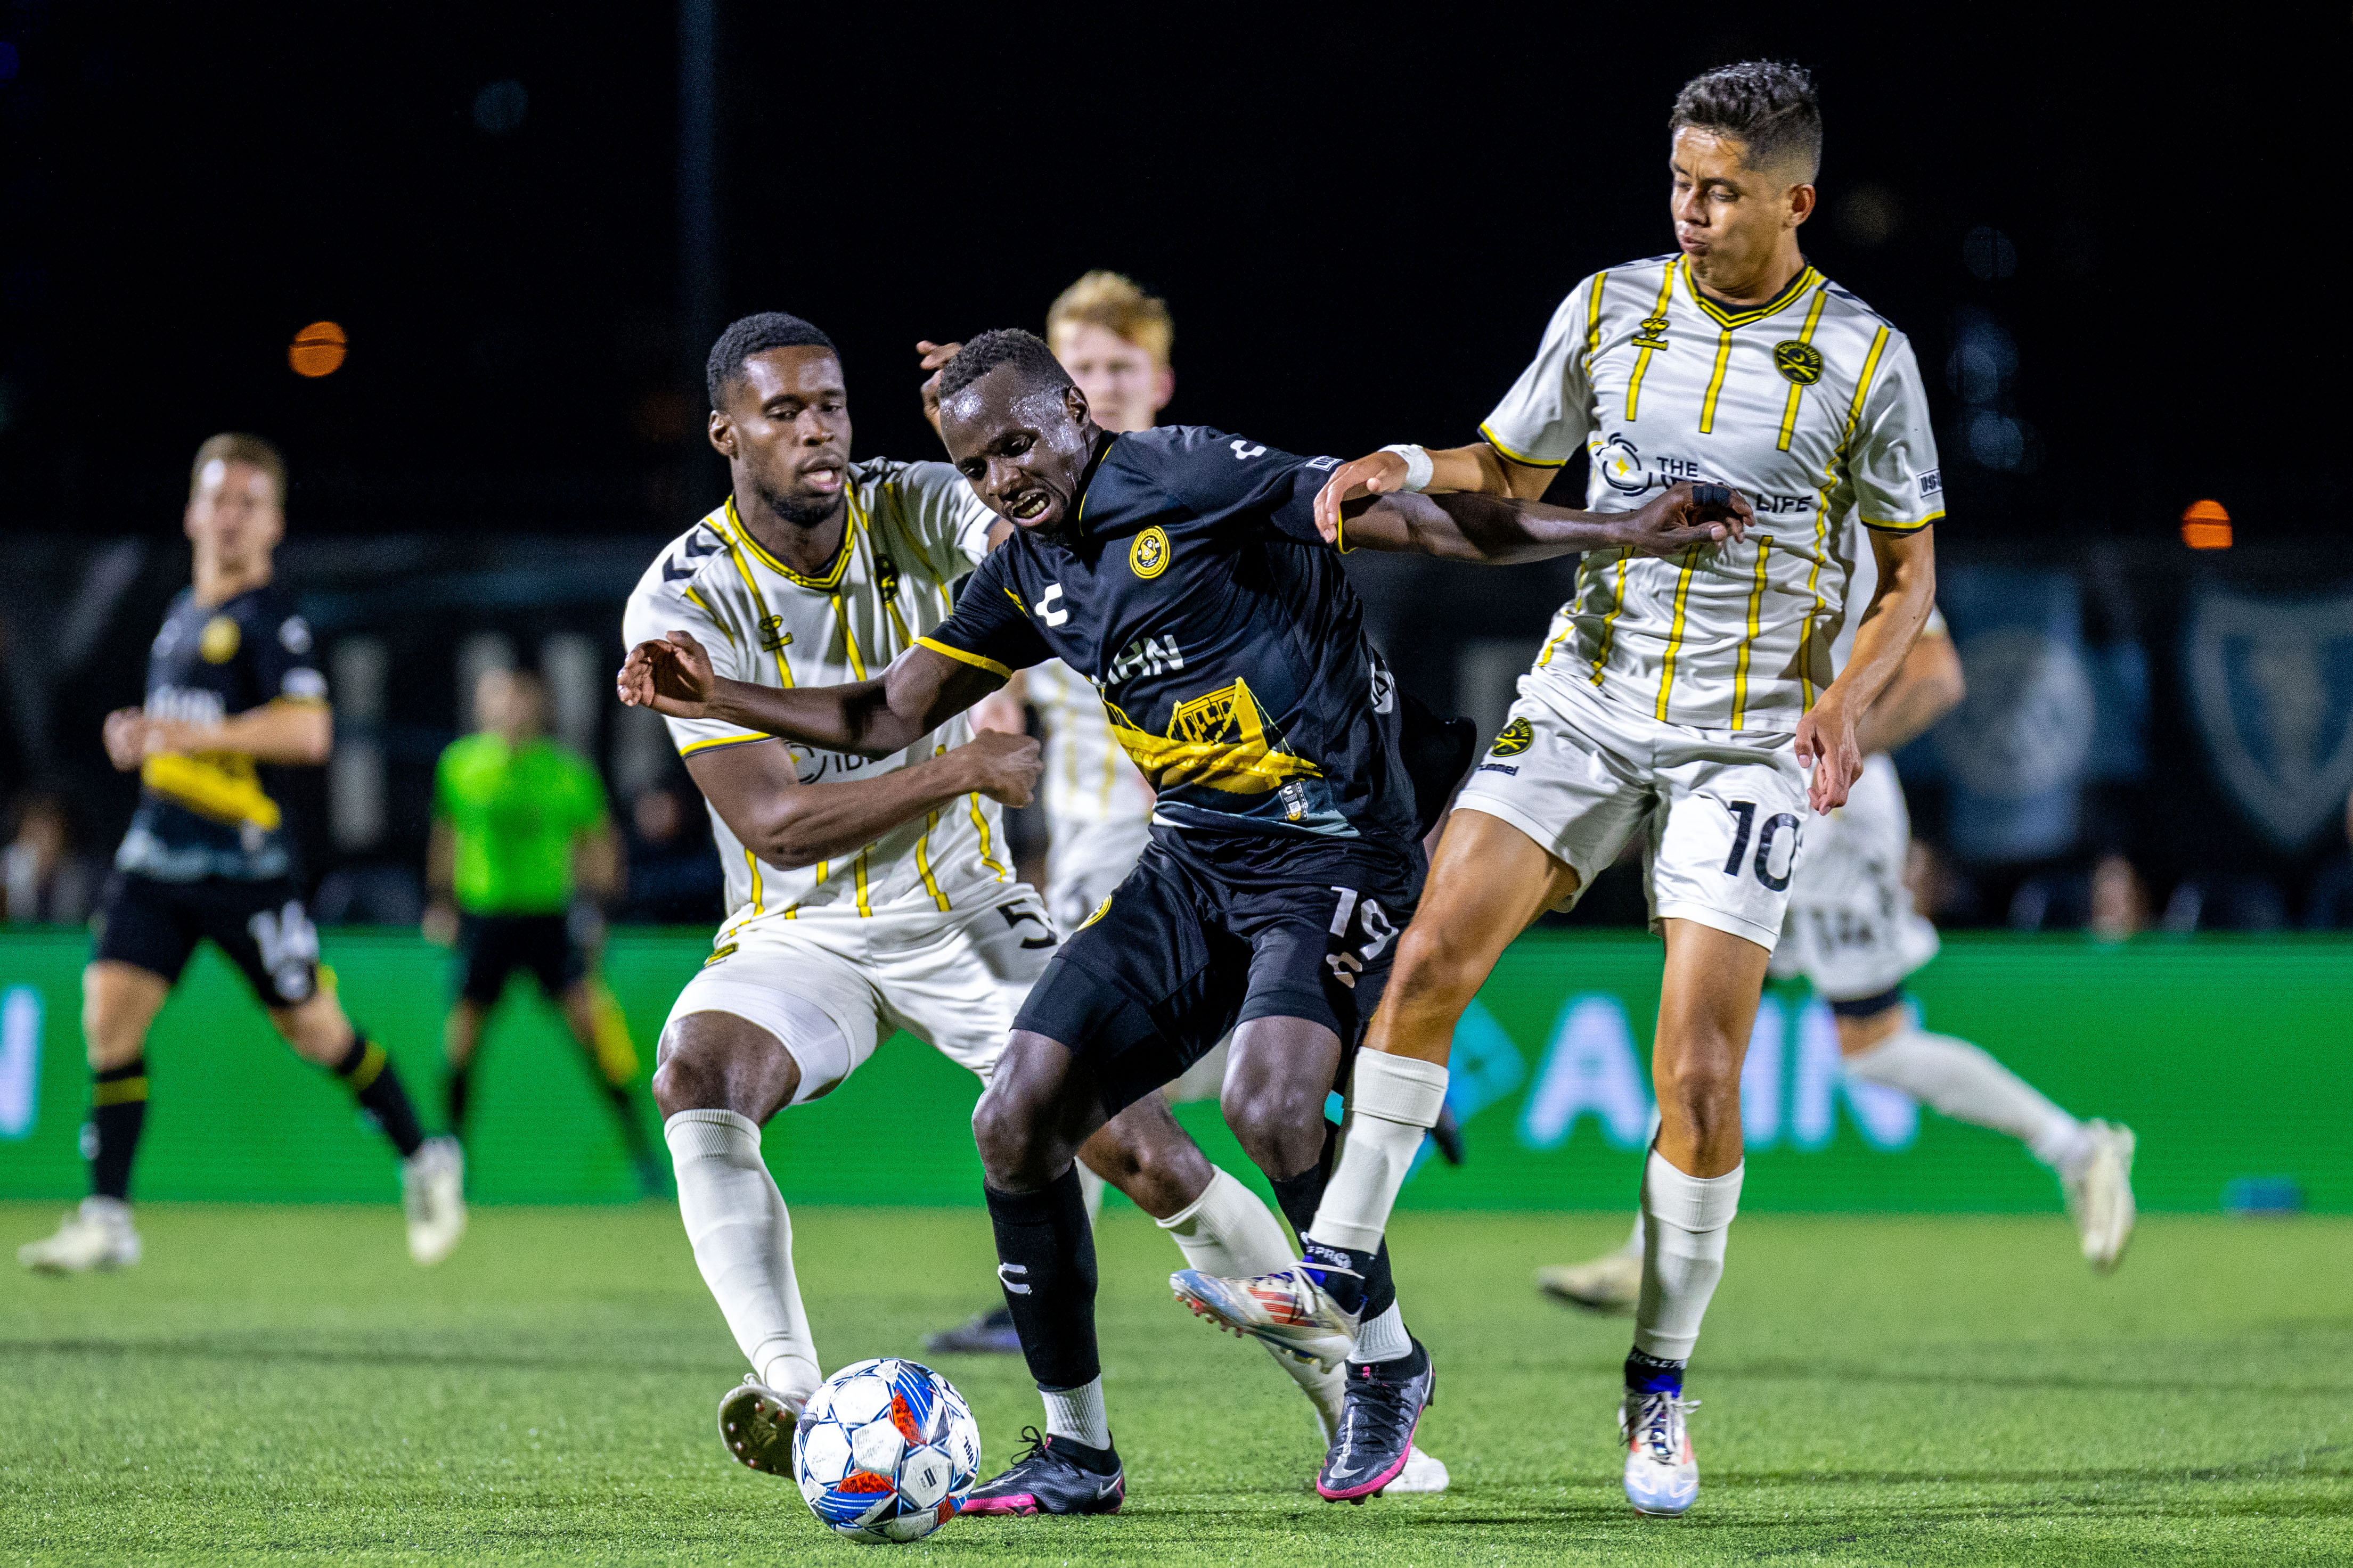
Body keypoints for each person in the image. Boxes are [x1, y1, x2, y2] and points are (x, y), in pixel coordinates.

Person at [619, 325, 1741, 1509]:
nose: (1005, 479)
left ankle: (1383, 1365)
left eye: (1020, 443)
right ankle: (1077, 1447)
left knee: (1264, 1100)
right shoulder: (1023, 572)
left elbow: (1415, 522)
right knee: (1018, 1112)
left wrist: (1613, 528)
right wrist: (720, 691)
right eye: (979, 465)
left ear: (1073, 412)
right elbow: (885, 711)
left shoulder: (1188, 474)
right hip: (1194, 858)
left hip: (1336, 844)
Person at [1173, 61, 1942, 1518]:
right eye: (1677, 182)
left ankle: (1656, 1384)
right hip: (1583, 705)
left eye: (1721, 190)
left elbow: (1911, 576)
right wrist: (1401, 455)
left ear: (1795, 198)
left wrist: (1846, 704)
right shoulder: (1607, 311)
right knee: (1429, 955)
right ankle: (1334, 1271)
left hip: (1747, 739)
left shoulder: (1863, 357)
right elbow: (1501, 462)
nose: (1691, 211)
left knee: (1700, 1079)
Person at [614, 313, 1335, 1505]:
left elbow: (1030, 510)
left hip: (965, 907)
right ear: (723, 433)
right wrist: (955, 767)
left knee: (1139, 1148)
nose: (818, 431)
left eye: (832, 404)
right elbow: (773, 821)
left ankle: (1356, 1398)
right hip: (799, 931)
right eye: (784, 412)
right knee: (696, 1066)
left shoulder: (918, 502)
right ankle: (793, 1388)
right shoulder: (678, 596)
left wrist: (1017, 419)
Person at [1539, 605, 2140, 1312]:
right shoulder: (1726, 541)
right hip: (1751, 806)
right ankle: (1646, 1252)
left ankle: (2079, 1150)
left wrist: (1830, 759)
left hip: (1831, 822)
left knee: (1870, 1046)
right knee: (1704, 1025)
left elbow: (1936, 682)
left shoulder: (1847, 538)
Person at [18, 434, 464, 1274]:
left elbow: (310, 730)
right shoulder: (183, 613)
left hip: (244, 871)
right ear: (191, 511)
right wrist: (143, 738)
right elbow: (182, 734)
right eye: (218, 499)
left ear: (274, 524)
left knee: (315, 1030)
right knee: (108, 1017)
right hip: (156, 860)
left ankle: (423, 1153)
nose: (230, 518)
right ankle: (108, 1215)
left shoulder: (270, 619)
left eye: (248, 504)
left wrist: (185, 733)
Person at [426, 664, 663, 1194]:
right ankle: (448, 1160)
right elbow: (446, 834)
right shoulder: (461, 766)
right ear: (482, 707)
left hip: (547, 921)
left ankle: (645, 1158)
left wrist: (597, 908)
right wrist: (441, 902)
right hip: (485, 920)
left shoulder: (566, 772)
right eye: (497, 700)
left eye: (518, 701)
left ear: (536, 709)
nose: (508, 711)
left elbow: (598, 843)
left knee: (596, 1037)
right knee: (462, 1041)